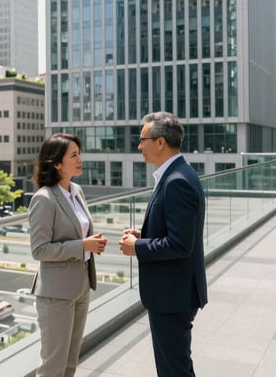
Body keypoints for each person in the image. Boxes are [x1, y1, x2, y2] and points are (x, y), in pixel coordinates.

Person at [118, 112, 208, 377]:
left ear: (160, 143)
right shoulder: (177, 175)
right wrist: (143, 234)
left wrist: (138, 247)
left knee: (174, 371)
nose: (139, 145)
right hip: (174, 293)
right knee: (177, 367)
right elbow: (175, 232)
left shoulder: (177, 182)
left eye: (143, 139)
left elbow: (180, 244)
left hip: (172, 296)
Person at [28, 133, 108, 377]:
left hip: (80, 287)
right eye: (73, 155)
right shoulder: (44, 199)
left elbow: (79, 233)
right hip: (55, 294)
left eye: (79, 153)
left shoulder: (76, 191)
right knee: (53, 367)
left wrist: (90, 243)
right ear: (57, 163)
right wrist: (82, 246)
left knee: (70, 364)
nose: (80, 159)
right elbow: (39, 250)